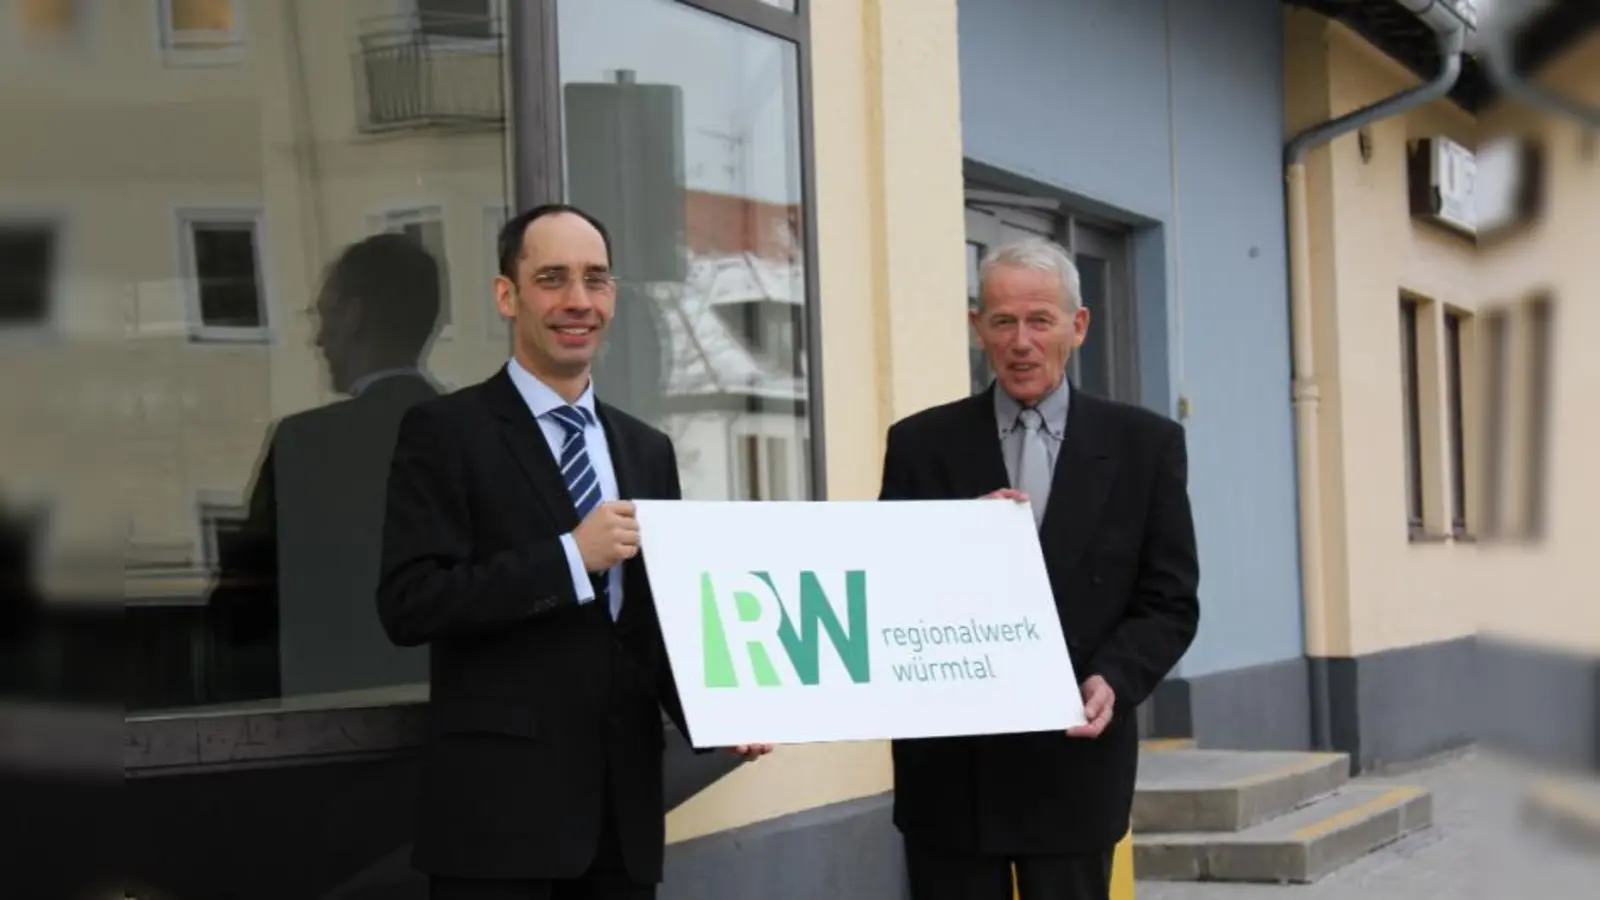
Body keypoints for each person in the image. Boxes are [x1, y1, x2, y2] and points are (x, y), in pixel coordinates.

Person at [376, 204, 770, 900]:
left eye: (595, 279)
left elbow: (652, 622)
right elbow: (411, 604)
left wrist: (720, 709)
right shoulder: (445, 431)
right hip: (498, 826)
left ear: (613, 296)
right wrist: (567, 559)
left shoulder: (646, 449)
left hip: (622, 821)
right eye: (552, 279)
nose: (578, 301)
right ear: (508, 295)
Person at [877, 236, 1200, 900]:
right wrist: (956, 537)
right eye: (1002, 321)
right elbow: (884, 587)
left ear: (1076, 327)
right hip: (952, 775)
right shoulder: (919, 444)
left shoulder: (1146, 445)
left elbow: (1169, 601)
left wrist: (1116, 677)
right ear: (978, 330)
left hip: (1075, 765)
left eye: (1039, 320)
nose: (1020, 341)